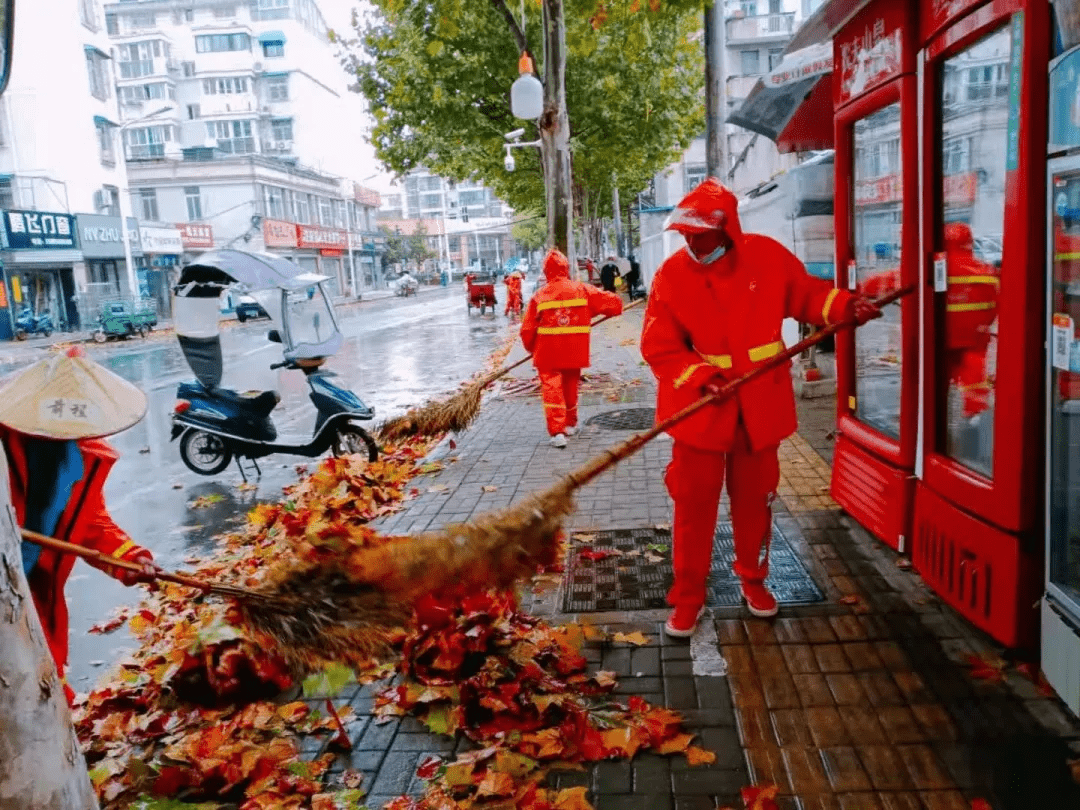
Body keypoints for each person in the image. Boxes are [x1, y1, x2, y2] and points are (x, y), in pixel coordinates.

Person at [640, 178, 881, 635]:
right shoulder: (670, 275)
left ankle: (753, 580)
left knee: (756, 502)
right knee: (693, 506)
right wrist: (702, 377)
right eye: (686, 234)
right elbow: (659, 344)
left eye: (701, 234)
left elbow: (806, 294)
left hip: (759, 407)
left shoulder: (768, 258)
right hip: (700, 410)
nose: (692, 241)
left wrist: (845, 306)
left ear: (727, 229)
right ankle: (688, 596)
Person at [0, 347, 157, 704]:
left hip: (30, 592)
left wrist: (129, 557)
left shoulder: (78, 457)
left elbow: (90, 523)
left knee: (42, 689)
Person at [521, 249, 623, 448]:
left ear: (546, 271)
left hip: (548, 353)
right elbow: (614, 304)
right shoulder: (582, 290)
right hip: (574, 350)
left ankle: (558, 431)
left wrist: (532, 349)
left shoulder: (540, 295)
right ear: (566, 268)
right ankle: (570, 424)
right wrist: (600, 312)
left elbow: (527, 330)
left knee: (552, 389)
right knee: (569, 386)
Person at [942, 221, 999, 419]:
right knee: (975, 382)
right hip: (976, 339)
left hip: (943, 339)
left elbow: (894, 280)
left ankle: (936, 420)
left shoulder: (936, 268)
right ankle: (975, 417)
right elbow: (998, 304)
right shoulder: (987, 271)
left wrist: (861, 289)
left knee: (936, 387)